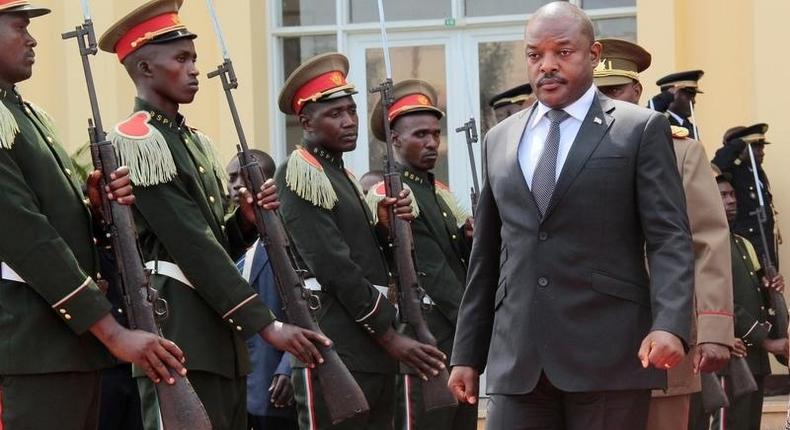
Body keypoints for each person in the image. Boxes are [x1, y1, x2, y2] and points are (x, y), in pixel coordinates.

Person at [448, 3, 694, 429]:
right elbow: (487, 256)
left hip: (608, 355)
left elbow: (669, 238)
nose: (547, 66)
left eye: (563, 53)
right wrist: (467, 354)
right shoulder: (500, 139)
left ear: (593, 54)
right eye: (534, 55)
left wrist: (670, 324)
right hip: (517, 361)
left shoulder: (638, 130)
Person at [98, 1, 330, 429]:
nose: (193, 70)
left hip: (219, 330)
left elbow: (215, 239)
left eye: (194, 59)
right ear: (145, 68)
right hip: (182, 325)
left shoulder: (195, 142)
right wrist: (266, 324)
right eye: (181, 59)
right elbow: (191, 244)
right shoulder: (137, 139)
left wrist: (244, 221)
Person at [0, 2, 187, 429]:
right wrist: (113, 332)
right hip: (29, 350)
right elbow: (29, 239)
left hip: (68, 346)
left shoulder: (26, 117)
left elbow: (61, 228)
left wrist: (96, 209)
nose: (31, 39)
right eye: (20, 27)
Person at [275, 52, 447, 430]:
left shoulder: (344, 177)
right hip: (341, 343)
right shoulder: (303, 169)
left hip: (364, 346)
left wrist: (386, 227)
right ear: (305, 120)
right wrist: (388, 333)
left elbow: (368, 258)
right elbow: (333, 265)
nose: (350, 121)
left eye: (351, 110)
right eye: (335, 113)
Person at [594, 38, 735, 430]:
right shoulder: (568, 152)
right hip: (589, 339)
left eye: (615, 90)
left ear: (636, 91)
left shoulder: (681, 152)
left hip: (663, 333)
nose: (607, 101)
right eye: (596, 92)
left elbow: (707, 240)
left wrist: (714, 328)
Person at [366, 79, 477, 430]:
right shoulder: (393, 193)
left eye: (435, 134)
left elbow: (456, 260)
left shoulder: (437, 191)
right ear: (395, 140)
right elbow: (431, 270)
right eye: (419, 135)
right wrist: (473, 327)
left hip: (454, 335)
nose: (431, 142)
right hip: (428, 334)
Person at [226, 149, 298, 430]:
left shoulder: (289, 235)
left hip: (278, 382)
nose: (232, 185)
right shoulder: (236, 240)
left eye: (238, 177)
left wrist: (291, 364)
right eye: (229, 178)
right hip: (246, 388)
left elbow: (313, 303)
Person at [711, 166, 786, 430]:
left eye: (732, 194)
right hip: (730, 357)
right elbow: (718, 300)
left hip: (754, 360)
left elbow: (757, 293)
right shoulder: (706, 245)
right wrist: (764, 340)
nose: (731, 200)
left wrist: (771, 286)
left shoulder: (743, 244)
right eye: (722, 195)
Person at [712, 123, 780, 269]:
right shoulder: (734, 172)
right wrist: (738, 144)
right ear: (744, 149)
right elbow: (716, 165)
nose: (762, 152)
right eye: (757, 147)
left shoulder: (757, 172)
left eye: (762, 147)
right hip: (747, 248)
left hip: (765, 248)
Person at [652, 70, 705, 139]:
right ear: (674, 93)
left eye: (694, 96)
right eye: (689, 95)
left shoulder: (690, 127)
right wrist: (665, 97)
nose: (693, 101)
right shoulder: (663, 123)